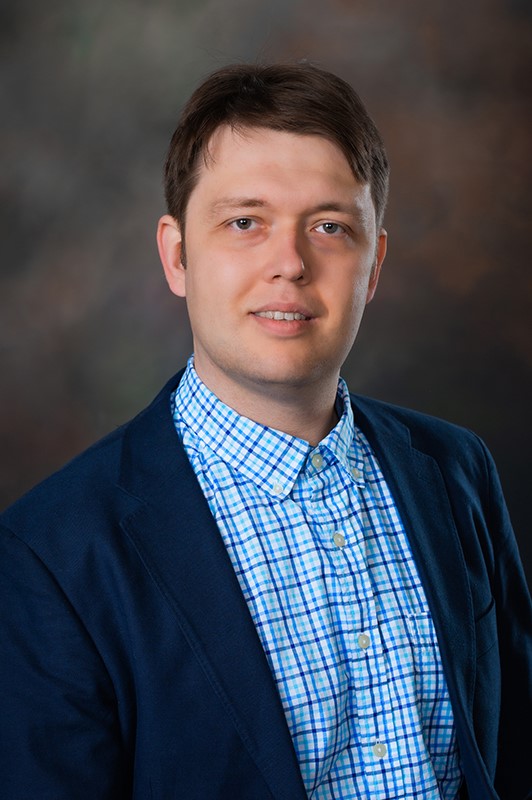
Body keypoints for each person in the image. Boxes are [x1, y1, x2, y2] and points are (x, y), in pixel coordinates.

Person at [0, 62, 530, 800]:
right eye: (245, 222)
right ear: (177, 256)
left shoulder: (455, 469)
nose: (290, 264)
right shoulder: (49, 556)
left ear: (374, 265)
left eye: (329, 227)